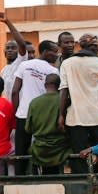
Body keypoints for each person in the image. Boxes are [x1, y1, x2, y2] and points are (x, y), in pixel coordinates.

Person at [58, 33, 98, 174]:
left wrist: (61, 115)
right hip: (96, 117)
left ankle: (80, 182)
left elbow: (63, 91)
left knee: (78, 153)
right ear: (91, 46)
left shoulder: (67, 63)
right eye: (96, 46)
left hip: (75, 118)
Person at [12, 40, 59, 174]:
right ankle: (48, 180)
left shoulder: (24, 65)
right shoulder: (53, 71)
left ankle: (19, 182)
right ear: (44, 51)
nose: (56, 55)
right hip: (43, 117)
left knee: (21, 152)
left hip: (23, 115)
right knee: (45, 150)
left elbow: (15, 91)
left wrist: (16, 113)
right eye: (54, 52)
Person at [25, 73, 70, 175]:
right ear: (59, 86)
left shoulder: (34, 102)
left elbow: (28, 129)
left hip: (40, 149)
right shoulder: (65, 102)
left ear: (45, 85)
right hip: (61, 148)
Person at [0, 12, 29, 102]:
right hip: (8, 108)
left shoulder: (20, 62)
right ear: (4, 52)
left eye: (13, 48)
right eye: (7, 48)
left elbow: (22, 44)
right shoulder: (3, 71)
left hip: (19, 109)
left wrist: (8, 22)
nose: (10, 50)